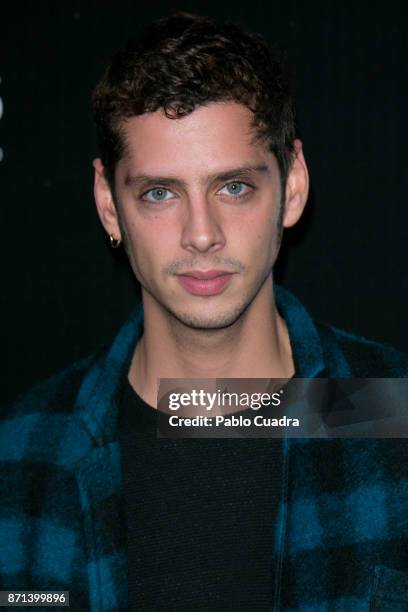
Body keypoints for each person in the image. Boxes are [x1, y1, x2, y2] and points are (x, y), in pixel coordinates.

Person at [0, 12, 407, 612]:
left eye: (233, 187)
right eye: (160, 193)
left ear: (292, 186)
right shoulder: (23, 453)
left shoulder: (394, 416)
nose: (201, 235)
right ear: (109, 205)